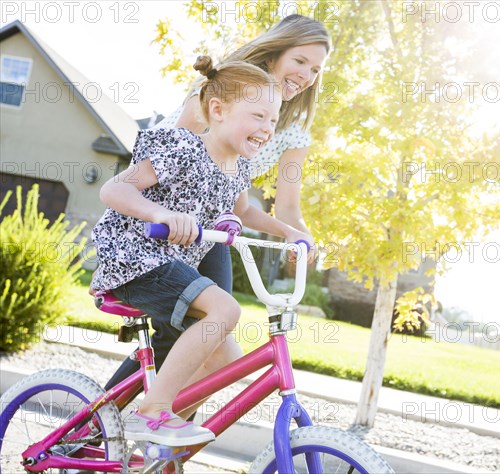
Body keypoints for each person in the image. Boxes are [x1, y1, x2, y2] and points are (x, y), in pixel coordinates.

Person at [103, 14, 331, 395]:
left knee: (219, 348)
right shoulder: (222, 89)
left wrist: (298, 238)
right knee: (185, 326)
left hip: (212, 225)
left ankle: (165, 449)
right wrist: (161, 217)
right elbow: (173, 164)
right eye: (300, 60)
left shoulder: (294, 127)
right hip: (161, 220)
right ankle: (106, 421)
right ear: (277, 51)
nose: (306, 74)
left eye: (316, 69)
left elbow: (281, 205)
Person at [91, 57, 286, 446]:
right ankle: (153, 411)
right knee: (225, 310)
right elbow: (113, 189)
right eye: (259, 116)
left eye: (274, 120)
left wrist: (290, 232)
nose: (267, 128)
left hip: (170, 265)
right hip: (134, 259)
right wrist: (160, 212)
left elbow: (244, 211)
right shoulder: (182, 146)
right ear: (217, 110)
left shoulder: (238, 167)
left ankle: (154, 447)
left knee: (225, 357)